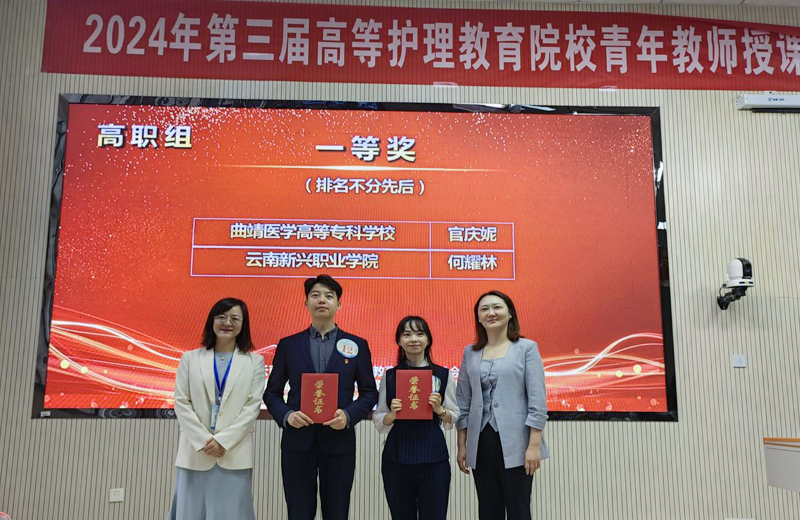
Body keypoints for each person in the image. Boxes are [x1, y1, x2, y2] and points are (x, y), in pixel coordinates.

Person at [264, 274, 378, 520]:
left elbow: (369, 393)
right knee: (298, 512)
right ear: (306, 303)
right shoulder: (289, 345)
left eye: (329, 296)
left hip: (339, 442)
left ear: (339, 304)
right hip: (297, 442)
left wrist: (348, 415)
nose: (322, 300)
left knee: (337, 512)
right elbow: (272, 393)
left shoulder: (357, 345)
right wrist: (287, 415)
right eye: (315, 295)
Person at [167, 298, 266, 520]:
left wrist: (223, 441)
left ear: (243, 324)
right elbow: (181, 403)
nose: (227, 323)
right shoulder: (190, 359)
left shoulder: (254, 362)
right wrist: (204, 441)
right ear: (211, 321)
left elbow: (252, 407)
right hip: (195, 453)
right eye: (221, 317)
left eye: (235, 318)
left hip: (233, 454)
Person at [455, 290, 549, 520]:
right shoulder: (470, 352)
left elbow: (537, 400)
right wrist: (462, 445)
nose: (491, 313)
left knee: (518, 509)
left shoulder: (527, 348)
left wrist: (534, 445)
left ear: (510, 313)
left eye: (497, 307)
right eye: (484, 309)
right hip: (481, 441)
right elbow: (463, 401)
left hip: (518, 442)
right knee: (488, 510)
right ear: (478, 318)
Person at [373, 316, 459, 520]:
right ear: (399, 341)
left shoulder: (443, 375)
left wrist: (439, 410)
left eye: (420, 334)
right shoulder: (390, 376)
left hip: (433, 457)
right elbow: (379, 416)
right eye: (407, 334)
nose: (414, 339)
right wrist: (392, 415)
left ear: (428, 340)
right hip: (397, 457)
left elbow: (454, 414)